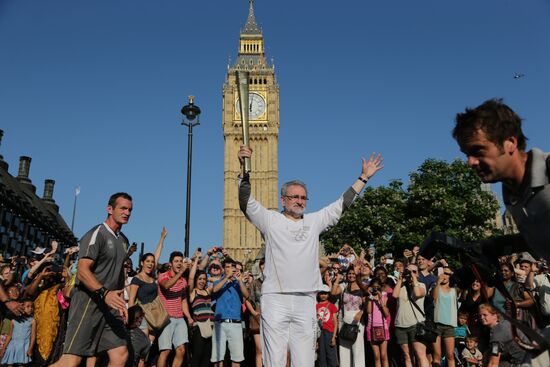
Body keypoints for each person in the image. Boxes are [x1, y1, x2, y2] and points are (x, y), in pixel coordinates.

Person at [237, 145, 383, 367]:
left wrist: (363, 178)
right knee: (274, 359)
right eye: (294, 197)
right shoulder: (270, 220)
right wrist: (244, 171)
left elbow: (341, 205)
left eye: (304, 198)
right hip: (276, 298)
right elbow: (245, 202)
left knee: (304, 360)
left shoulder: (314, 221)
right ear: (283, 199)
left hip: (306, 299)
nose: (300, 201)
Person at [453, 98, 550, 261]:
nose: (470, 162)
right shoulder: (512, 194)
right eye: (467, 155)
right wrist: (492, 246)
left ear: (510, 143)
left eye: (478, 151)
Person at [52, 192, 132, 367]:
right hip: (87, 304)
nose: (127, 212)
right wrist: (105, 293)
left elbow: (118, 273)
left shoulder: (124, 241)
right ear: (109, 209)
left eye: (130, 209)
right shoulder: (97, 234)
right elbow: (82, 271)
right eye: (123, 208)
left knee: (120, 354)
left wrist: (121, 303)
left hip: (109, 307)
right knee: (71, 361)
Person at [157, 251, 194, 367]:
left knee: (181, 350)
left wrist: (188, 317)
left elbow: (183, 301)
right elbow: (167, 285)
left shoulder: (183, 281)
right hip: (166, 318)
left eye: (180, 261)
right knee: (165, 351)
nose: (179, 264)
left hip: (179, 318)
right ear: (170, 263)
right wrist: (182, 271)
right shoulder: (163, 276)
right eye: (176, 261)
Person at [211, 258, 249, 367]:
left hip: (236, 323)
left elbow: (246, 295)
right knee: (218, 358)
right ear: (223, 269)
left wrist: (240, 281)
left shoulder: (238, 284)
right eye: (227, 267)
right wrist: (226, 278)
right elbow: (215, 290)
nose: (230, 269)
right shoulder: (218, 281)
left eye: (232, 267)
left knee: (237, 359)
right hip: (220, 323)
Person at [0, 299, 36, 366]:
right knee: (9, 364)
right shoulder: (13, 321)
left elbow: (33, 335)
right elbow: (9, 335)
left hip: (23, 346)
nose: (30, 309)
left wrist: (30, 348)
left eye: (32, 307)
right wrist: (3, 348)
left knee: (21, 364)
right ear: (21, 307)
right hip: (12, 346)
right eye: (28, 306)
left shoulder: (32, 321)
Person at [316, 284, 338, 367]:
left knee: (331, 356)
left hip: (329, 332)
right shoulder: (316, 305)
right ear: (319, 294)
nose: (323, 295)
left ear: (328, 294)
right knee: (321, 356)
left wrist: (334, 336)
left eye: (325, 293)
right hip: (319, 333)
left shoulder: (332, 306)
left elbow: (335, 322)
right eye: (321, 293)